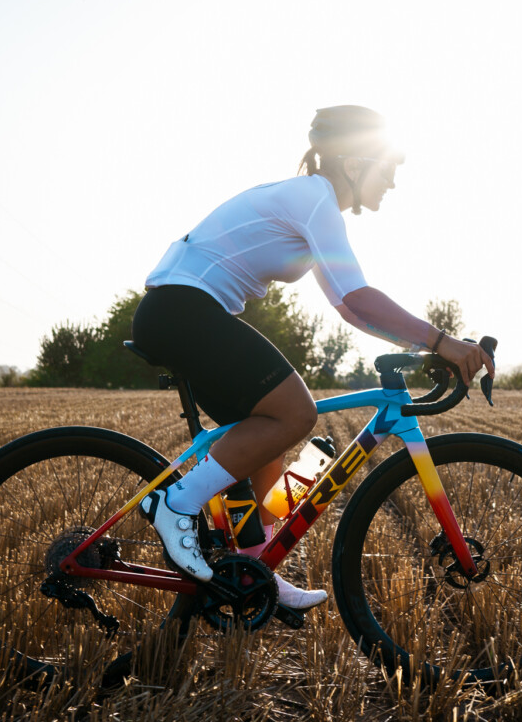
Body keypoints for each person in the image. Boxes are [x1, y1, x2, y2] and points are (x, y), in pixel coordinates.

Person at [129, 106, 494, 609]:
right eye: (386, 167)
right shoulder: (314, 198)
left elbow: (349, 308)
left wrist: (422, 344)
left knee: (263, 438)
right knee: (294, 412)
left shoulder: (313, 203)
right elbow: (359, 299)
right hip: (183, 309)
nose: (390, 180)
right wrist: (441, 342)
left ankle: (254, 570)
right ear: (351, 164)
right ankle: (177, 504)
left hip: (184, 309)